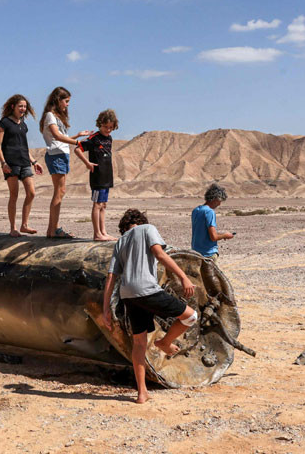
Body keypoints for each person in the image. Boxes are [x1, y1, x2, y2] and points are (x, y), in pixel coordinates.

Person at [101, 209, 196, 404]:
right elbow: (159, 254)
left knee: (139, 343)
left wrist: (106, 310)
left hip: (127, 294)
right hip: (146, 289)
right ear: (141, 221)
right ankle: (164, 342)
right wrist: (184, 277)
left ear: (124, 227)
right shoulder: (147, 228)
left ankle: (142, 393)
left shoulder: (121, 241)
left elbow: (111, 276)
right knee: (190, 316)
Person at [39, 87, 90, 238]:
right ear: (58, 100)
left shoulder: (56, 117)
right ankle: (53, 229)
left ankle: (51, 230)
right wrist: (77, 142)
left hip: (61, 154)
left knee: (60, 191)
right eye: (66, 101)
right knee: (59, 191)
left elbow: (60, 137)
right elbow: (56, 136)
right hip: (56, 155)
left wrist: (77, 136)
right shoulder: (49, 115)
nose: (67, 105)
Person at [0, 94, 44, 237]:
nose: (23, 109)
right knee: (14, 195)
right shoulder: (3, 123)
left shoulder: (23, 125)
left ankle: (24, 225)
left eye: (24, 106)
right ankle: (13, 228)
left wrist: (34, 162)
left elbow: (24, 147)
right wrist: (3, 163)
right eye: (20, 106)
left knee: (31, 193)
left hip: (24, 162)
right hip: (10, 163)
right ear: (13, 107)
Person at [75, 109, 117, 241]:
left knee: (103, 204)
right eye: (106, 127)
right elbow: (77, 149)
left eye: (111, 127)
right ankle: (96, 233)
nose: (108, 130)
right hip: (97, 177)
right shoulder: (94, 138)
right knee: (97, 204)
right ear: (100, 124)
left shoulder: (109, 138)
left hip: (107, 176)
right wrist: (87, 163)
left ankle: (103, 232)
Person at [190, 183, 235, 259]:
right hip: (208, 253)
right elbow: (213, 237)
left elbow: (203, 232)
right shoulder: (209, 212)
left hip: (196, 252)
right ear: (215, 199)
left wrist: (221, 234)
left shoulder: (196, 210)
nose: (220, 204)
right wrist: (225, 235)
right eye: (219, 201)